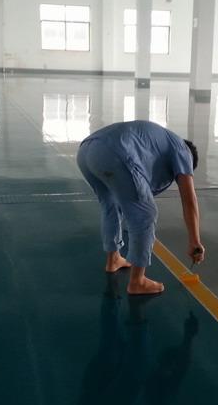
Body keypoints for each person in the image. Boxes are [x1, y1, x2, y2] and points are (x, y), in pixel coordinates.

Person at [77, 120, 205, 295]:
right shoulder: (183, 150)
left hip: (87, 152)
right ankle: (137, 282)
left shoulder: (159, 141)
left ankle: (113, 259)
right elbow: (189, 199)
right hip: (114, 153)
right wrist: (195, 240)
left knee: (111, 205)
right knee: (145, 214)